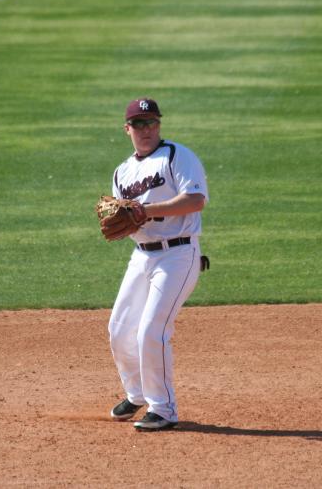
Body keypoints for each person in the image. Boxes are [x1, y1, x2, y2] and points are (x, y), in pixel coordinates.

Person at [107, 97, 209, 431]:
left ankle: (163, 409)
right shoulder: (122, 172)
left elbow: (196, 200)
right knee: (120, 330)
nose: (146, 129)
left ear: (159, 125)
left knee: (152, 330)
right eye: (139, 124)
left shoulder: (177, 156)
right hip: (141, 256)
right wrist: (125, 222)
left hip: (178, 255)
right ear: (127, 129)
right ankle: (137, 394)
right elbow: (125, 218)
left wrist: (146, 211)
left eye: (151, 122)